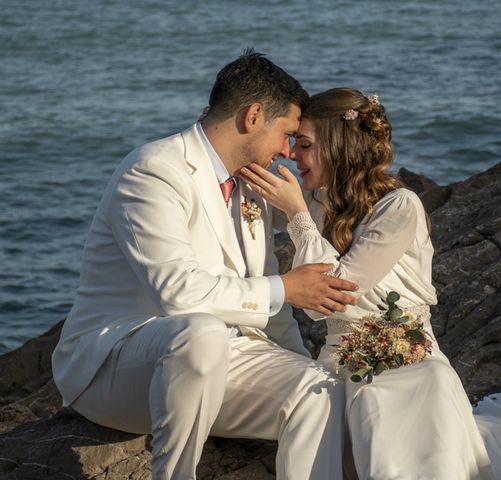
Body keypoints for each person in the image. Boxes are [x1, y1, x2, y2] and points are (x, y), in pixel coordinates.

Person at [51, 51, 360, 480]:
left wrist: (297, 360)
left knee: (325, 390)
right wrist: (285, 288)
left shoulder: (251, 184)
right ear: (253, 116)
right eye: (288, 134)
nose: (289, 151)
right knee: (200, 332)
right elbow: (178, 294)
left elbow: (268, 296)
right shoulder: (155, 170)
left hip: (227, 355)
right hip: (119, 365)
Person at [240, 87, 493, 479]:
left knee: (397, 407)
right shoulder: (317, 202)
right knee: (313, 406)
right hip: (335, 358)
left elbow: (334, 293)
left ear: (337, 146)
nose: (291, 155)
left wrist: (295, 215)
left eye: (303, 144)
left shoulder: (399, 207)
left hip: (405, 354)